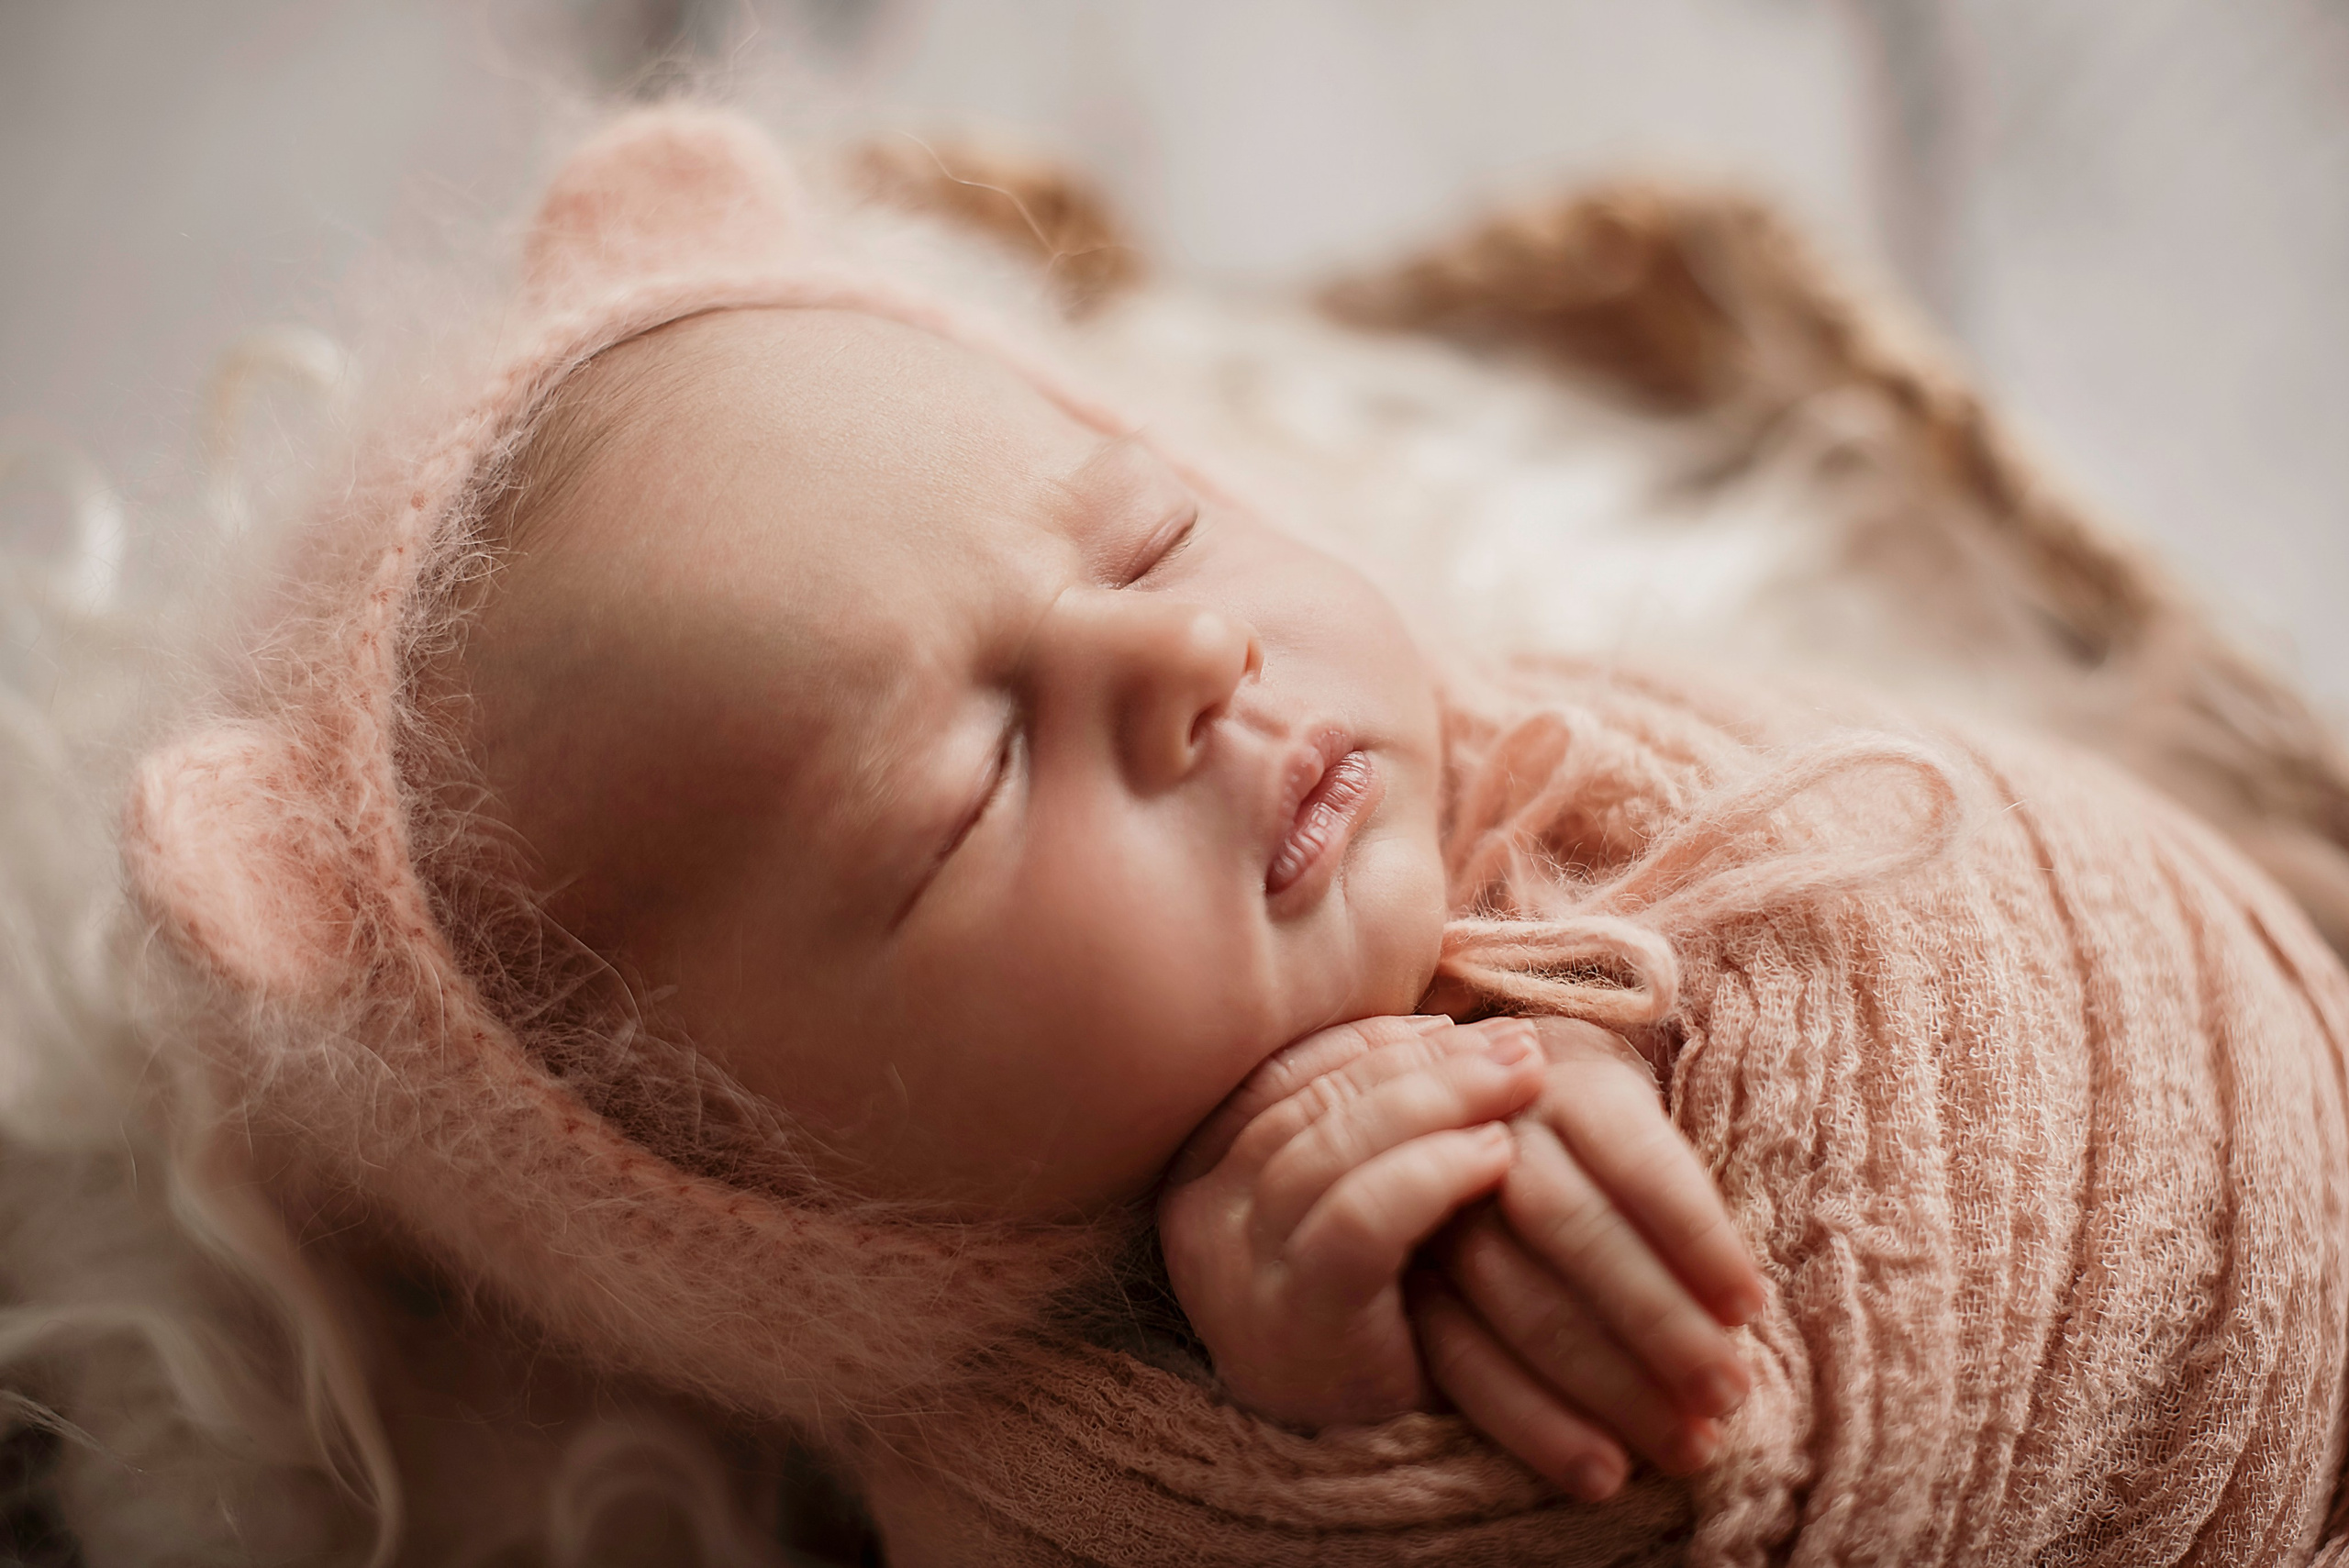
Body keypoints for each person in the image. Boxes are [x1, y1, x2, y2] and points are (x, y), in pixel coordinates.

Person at [120, 105, 2349, 1565]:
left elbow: (2000, 857)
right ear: (789, 1204)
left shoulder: (1584, 748)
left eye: (1149, 529)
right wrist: (1318, 1415)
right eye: (972, 785)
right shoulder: (1018, 1484)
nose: (1180, 663)